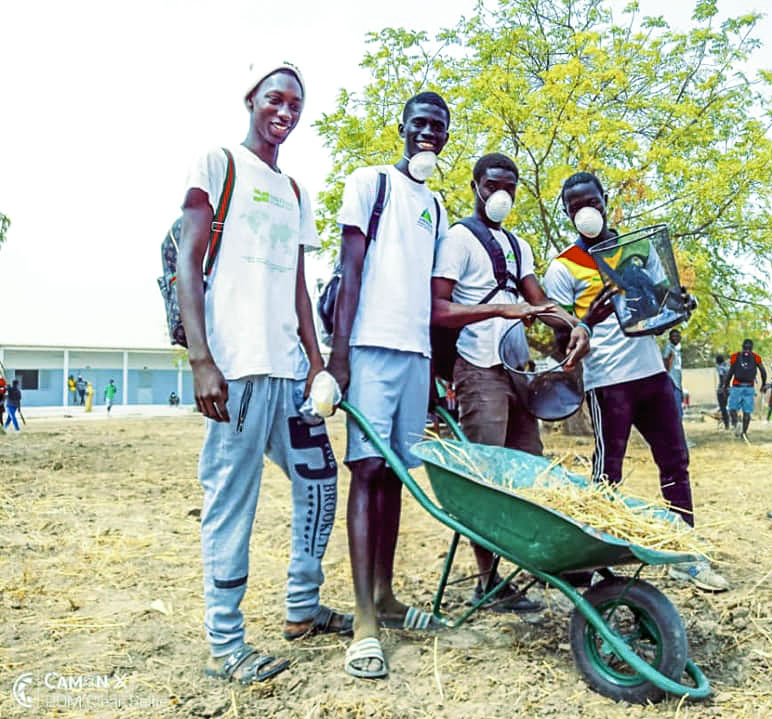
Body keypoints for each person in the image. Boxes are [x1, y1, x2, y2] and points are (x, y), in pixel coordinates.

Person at [178, 61, 343, 685]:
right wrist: (203, 359)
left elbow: (298, 286)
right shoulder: (218, 165)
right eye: (275, 98)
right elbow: (188, 262)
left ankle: (301, 607)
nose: (286, 111)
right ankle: (227, 645)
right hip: (238, 370)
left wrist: (318, 362)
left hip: (289, 373)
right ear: (251, 98)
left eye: (295, 104)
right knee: (232, 502)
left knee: (320, 479)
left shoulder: (296, 191)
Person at [543, 171, 728, 592]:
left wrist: (681, 304)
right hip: (608, 382)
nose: (584, 211)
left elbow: (661, 307)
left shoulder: (635, 250)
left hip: (652, 374)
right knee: (608, 471)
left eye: (590, 201)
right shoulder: (563, 266)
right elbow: (561, 338)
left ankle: (685, 553)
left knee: (675, 461)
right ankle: (585, 561)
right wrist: (589, 321)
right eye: (574, 206)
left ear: (605, 200)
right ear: (567, 212)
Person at [327, 91, 452, 679]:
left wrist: (440, 372)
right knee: (367, 471)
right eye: (420, 124)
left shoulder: (438, 206)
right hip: (371, 348)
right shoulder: (370, 183)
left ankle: (387, 595)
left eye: (439, 128)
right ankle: (362, 620)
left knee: (398, 475)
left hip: (416, 354)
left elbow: (431, 294)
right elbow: (351, 268)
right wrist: (339, 355)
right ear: (402, 128)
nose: (428, 134)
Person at [431, 153, 590, 613]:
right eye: (492, 184)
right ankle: (488, 581)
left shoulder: (518, 244)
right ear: (476, 185)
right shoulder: (458, 239)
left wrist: (574, 324)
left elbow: (538, 301)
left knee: (528, 465)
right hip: (477, 368)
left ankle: (531, 561)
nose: (500, 194)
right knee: (487, 472)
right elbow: (438, 309)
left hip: (517, 371)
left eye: (509, 186)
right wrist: (499, 309)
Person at [723, 339, 767, 439]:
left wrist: (725, 385)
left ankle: (737, 424)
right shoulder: (756, 357)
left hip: (736, 387)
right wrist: (763, 384)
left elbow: (730, 372)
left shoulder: (735, 356)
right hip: (749, 388)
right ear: (752, 347)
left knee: (732, 409)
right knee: (747, 412)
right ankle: (744, 433)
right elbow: (763, 371)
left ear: (742, 346)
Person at [662, 329, 683, 416]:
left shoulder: (677, 349)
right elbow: (666, 363)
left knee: (678, 409)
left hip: (677, 383)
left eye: (678, 336)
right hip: (672, 382)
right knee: (676, 410)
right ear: (670, 338)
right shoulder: (669, 348)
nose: (676, 338)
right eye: (674, 336)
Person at [714, 354, 730, 428]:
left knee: (723, 407)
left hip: (722, 389)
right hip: (729, 388)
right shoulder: (728, 366)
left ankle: (727, 424)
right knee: (728, 406)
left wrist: (723, 387)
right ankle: (730, 422)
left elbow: (722, 377)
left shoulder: (720, 368)